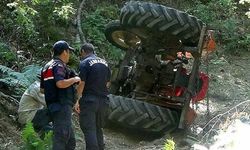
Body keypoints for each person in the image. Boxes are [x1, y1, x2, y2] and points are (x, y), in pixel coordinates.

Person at [40, 40, 81, 150]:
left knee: (70, 141)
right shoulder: (59, 65)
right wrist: (74, 79)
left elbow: (42, 90)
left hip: (52, 106)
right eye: (69, 52)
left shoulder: (46, 66)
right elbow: (60, 83)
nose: (69, 55)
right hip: (62, 106)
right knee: (61, 139)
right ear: (64, 52)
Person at [75, 43, 111, 150]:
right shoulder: (104, 63)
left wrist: (77, 100)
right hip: (103, 100)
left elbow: (81, 83)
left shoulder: (84, 63)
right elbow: (108, 82)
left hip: (89, 100)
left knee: (89, 128)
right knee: (98, 127)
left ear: (82, 51)